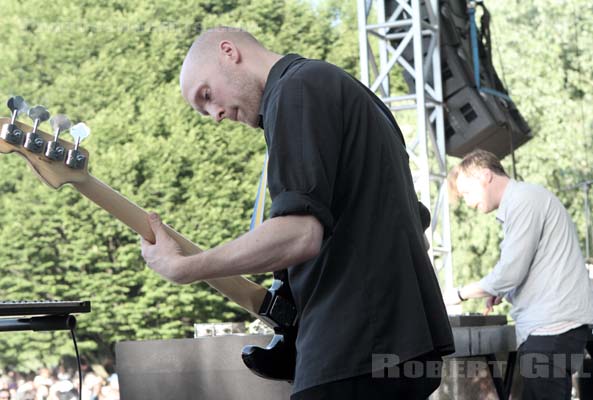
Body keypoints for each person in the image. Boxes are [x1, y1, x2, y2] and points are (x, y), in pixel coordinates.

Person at [141, 26, 454, 399]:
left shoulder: (296, 91)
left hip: (353, 349)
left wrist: (185, 268)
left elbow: (300, 234)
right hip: (401, 343)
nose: (216, 115)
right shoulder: (349, 94)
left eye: (207, 96)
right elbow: (410, 222)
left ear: (229, 51)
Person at [444, 148, 593, 399]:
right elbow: (531, 267)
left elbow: (509, 272)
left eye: (467, 194)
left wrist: (460, 294)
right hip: (552, 330)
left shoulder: (523, 201)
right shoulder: (524, 200)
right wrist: (503, 291)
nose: (469, 203)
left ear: (486, 176)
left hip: (552, 330)